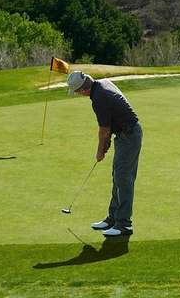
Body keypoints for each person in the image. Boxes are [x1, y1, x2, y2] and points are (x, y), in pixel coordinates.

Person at [66, 70, 142, 238]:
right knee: (118, 176)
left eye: (77, 92)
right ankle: (113, 218)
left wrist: (100, 151)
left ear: (82, 89)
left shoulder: (99, 98)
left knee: (123, 178)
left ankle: (124, 224)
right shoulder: (102, 84)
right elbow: (110, 123)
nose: (78, 94)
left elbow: (104, 130)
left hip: (129, 135)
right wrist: (107, 143)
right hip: (124, 134)